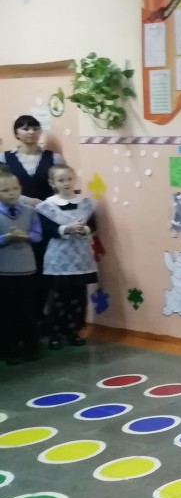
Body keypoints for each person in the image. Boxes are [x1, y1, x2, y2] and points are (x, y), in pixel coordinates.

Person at [4, 115, 64, 325]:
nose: (31, 132)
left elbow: (61, 186)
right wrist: (25, 199)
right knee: (19, 268)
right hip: (16, 217)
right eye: (25, 128)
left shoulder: (53, 158)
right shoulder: (5, 158)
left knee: (44, 267)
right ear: (16, 133)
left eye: (35, 128)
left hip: (47, 219)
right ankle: (18, 320)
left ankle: (39, 317)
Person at [36, 165, 98, 349]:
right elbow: (46, 230)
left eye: (69, 179)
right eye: (61, 180)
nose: (66, 183)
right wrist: (65, 229)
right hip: (59, 259)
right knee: (59, 296)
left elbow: (93, 225)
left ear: (74, 180)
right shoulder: (47, 206)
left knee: (78, 296)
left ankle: (74, 331)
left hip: (81, 257)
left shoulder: (86, 203)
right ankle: (55, 332)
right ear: (52, 183)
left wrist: (84, 229)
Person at [0, 168, 43, 364]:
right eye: (5, 190)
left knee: (28, 310)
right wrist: (7, 238)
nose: (11, 193)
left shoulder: (30, 211)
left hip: (27, 269)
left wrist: (27, 237)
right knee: (6, 313)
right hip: (3, 271)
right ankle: (10, 351)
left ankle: (31, 347)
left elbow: (38, 235)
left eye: (15, 188)